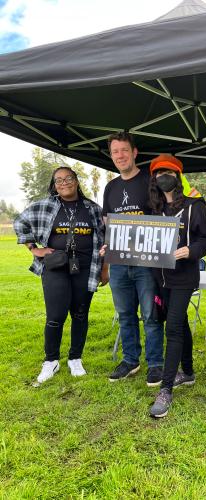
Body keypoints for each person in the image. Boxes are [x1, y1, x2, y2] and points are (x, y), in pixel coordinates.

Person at [14, 167, 106, 384]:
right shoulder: (46, 206)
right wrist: (33, 248)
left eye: (69, 178)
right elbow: (20, 221)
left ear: (76, 181)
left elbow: (105, 238)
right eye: (59, 180)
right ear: (54, 184)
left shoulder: (92, 209)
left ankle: (75, 358)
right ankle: (51, 361)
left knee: (80, 314)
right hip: (55, 269)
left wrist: (105, 268)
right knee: (55, 316)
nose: (64, 183)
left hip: (85, 268)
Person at [147, 155, 206, 418]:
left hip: (184, 276)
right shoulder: (153, 207)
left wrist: (190, 251)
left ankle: (166, 389)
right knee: (180, 321)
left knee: (172, 326)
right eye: (159, 172)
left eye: (169, 172)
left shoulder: (195, 205)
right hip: (160, 278)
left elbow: (205, 239)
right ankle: (188, 372)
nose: (164, 176)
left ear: (178, 176)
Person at [102, 132, 164, 386]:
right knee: (125, 313)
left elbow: (162, 219)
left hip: (146, 263)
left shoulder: (151, 182)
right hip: (118, 264)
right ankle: (130, 360)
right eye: (115, 151)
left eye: (124, 150)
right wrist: (107, 251)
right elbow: (108, 223)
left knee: (150, 315)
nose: (120, 156)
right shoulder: (111, 187)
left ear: (134, 152)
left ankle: (156, 364)